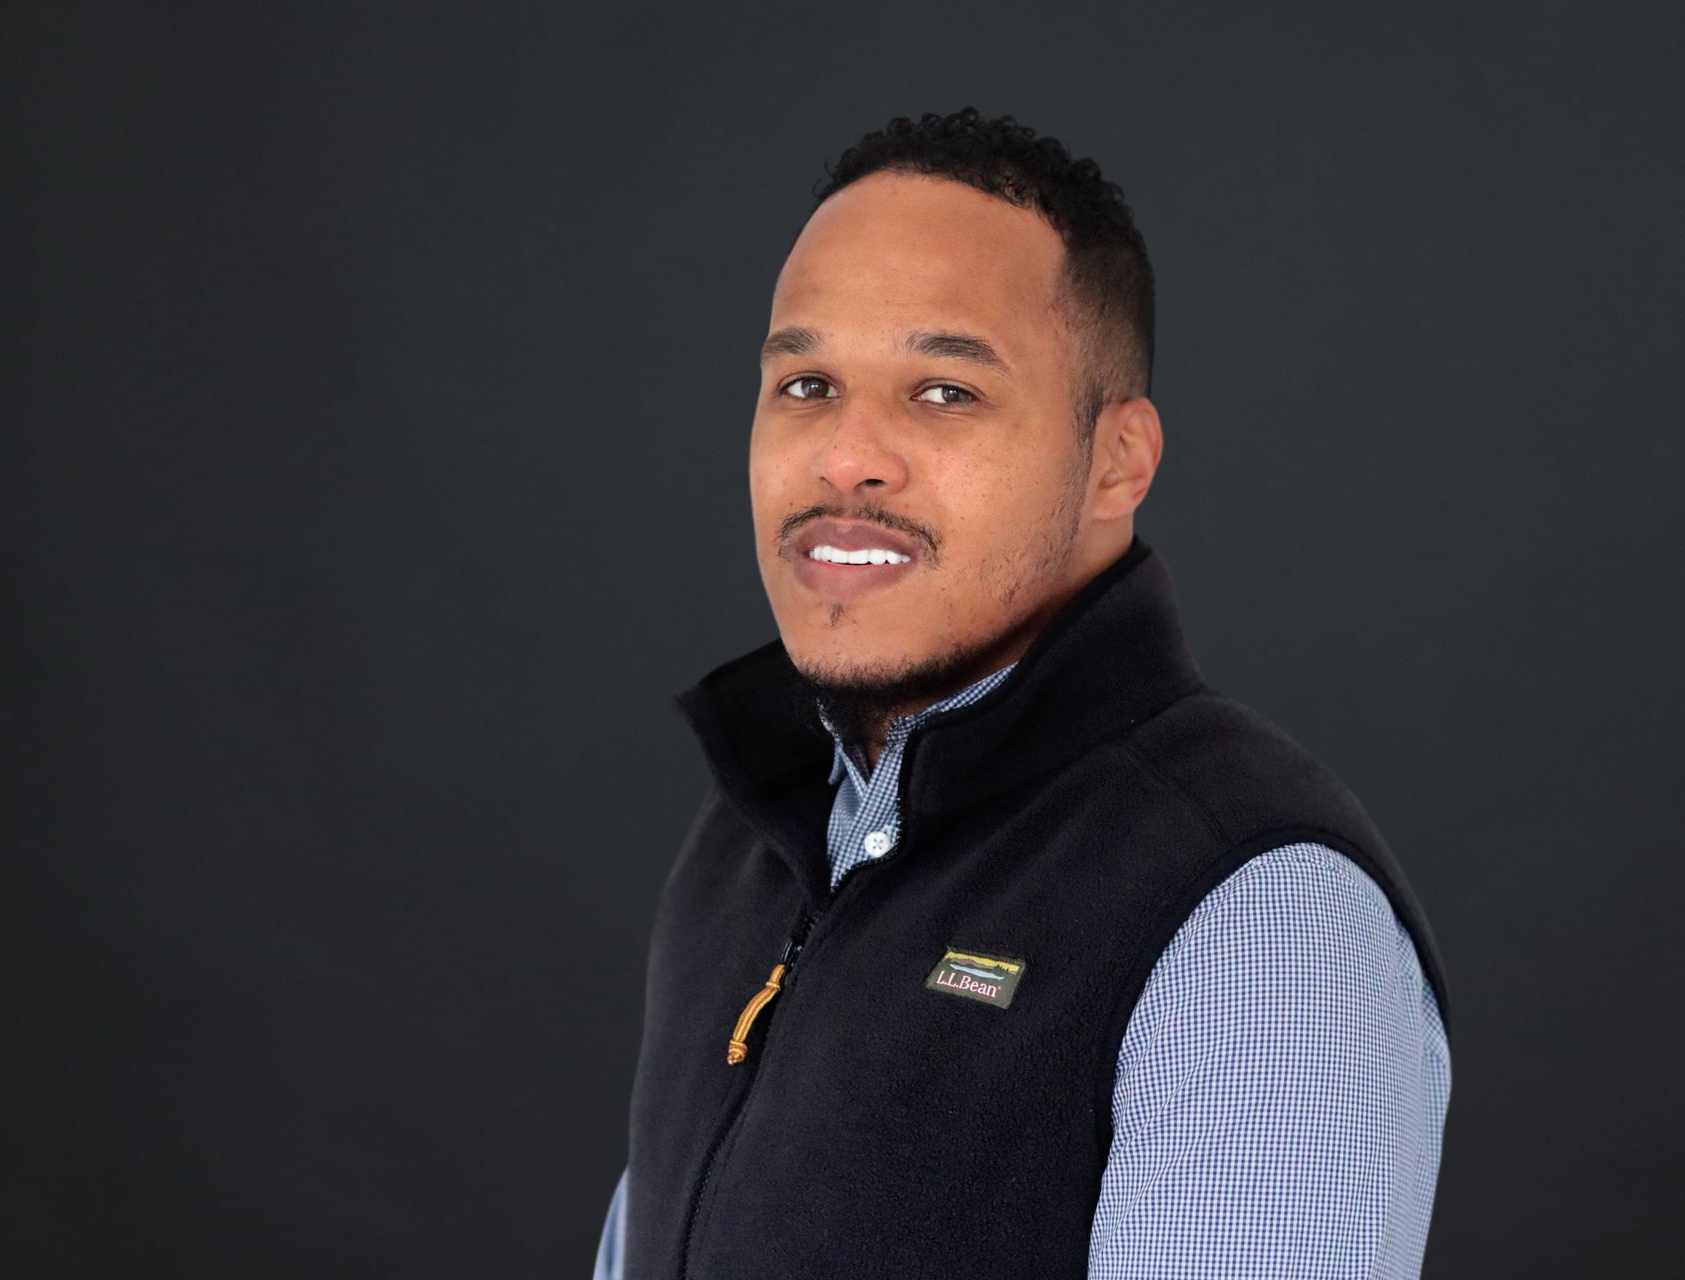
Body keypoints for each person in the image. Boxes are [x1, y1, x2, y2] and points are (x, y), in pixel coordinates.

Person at [594, 106, 1452, 1279]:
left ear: (1118, 462)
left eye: (945, 390)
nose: (846, 456)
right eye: (807, 382)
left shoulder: (1255, 910)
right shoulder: (749, 847)